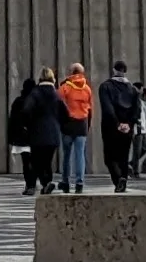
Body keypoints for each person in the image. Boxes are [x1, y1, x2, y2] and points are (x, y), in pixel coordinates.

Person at [98, 60, 140, 193]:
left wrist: (117, 124)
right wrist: (129, 124)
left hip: (111, 127)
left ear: (114, 70)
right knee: (123, 156)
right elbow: (137, 109)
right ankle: (123, 179)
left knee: (110, 157)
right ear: (125, 71)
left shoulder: (105, 87)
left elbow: (107, 108)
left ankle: (118, 180)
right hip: (127, 128)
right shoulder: (133, 89)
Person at [25, 70, 66, 196]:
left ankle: (43, 183)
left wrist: (28, 124)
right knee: (47, 161)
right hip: (53, 134)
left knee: (36, 161)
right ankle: (47, 182)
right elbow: (65, 113)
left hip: (37, 133)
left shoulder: (35, 94)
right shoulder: (56, 94)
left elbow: (26, 110)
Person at [58, 63, 94, 193]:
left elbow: (59, 108)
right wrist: (88, 125)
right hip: (82, 124)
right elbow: (90, 110)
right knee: (80, 155)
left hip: (68, 124)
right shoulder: (87, 89)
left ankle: (65, 181)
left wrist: (60, 124)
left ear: (71, 72)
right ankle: (79, 183)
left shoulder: (65, 88)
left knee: (66, 155)